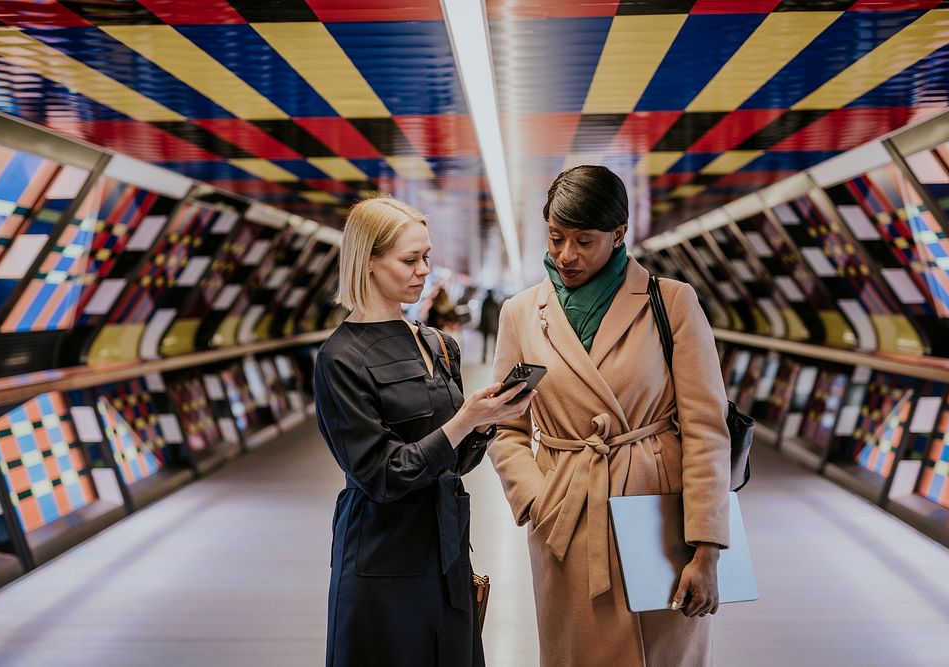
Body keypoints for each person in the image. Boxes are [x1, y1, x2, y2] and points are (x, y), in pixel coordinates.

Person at [487, 166, 731, 666]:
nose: (566, 255)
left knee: (660, 652)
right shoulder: (519, 313)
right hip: (567, 512)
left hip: (656, 515)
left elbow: (706, 428)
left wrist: (707, 548)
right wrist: (537, 498)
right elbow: (505, 425)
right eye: (556, 238)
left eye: (585, 241)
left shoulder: (672, 302)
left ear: (619, 234)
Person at [313, 196, 535, 667]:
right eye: (409, 260)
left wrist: (487, 422)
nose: (423, 271)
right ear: (368, 263)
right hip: (381, 558)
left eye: (427, 258)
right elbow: (382, 475)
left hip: (447, 551)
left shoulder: (438, 344)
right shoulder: (340, 359)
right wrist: (464, 421)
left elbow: (454, 460)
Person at [478, 289, 501, 364]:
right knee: (492, 343)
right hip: (492, 325)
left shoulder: (488, 302)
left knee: (487, 342)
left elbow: (482, 316)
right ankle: (489, 357)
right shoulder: (494, 303)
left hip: (488, 325)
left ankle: (486, 358)